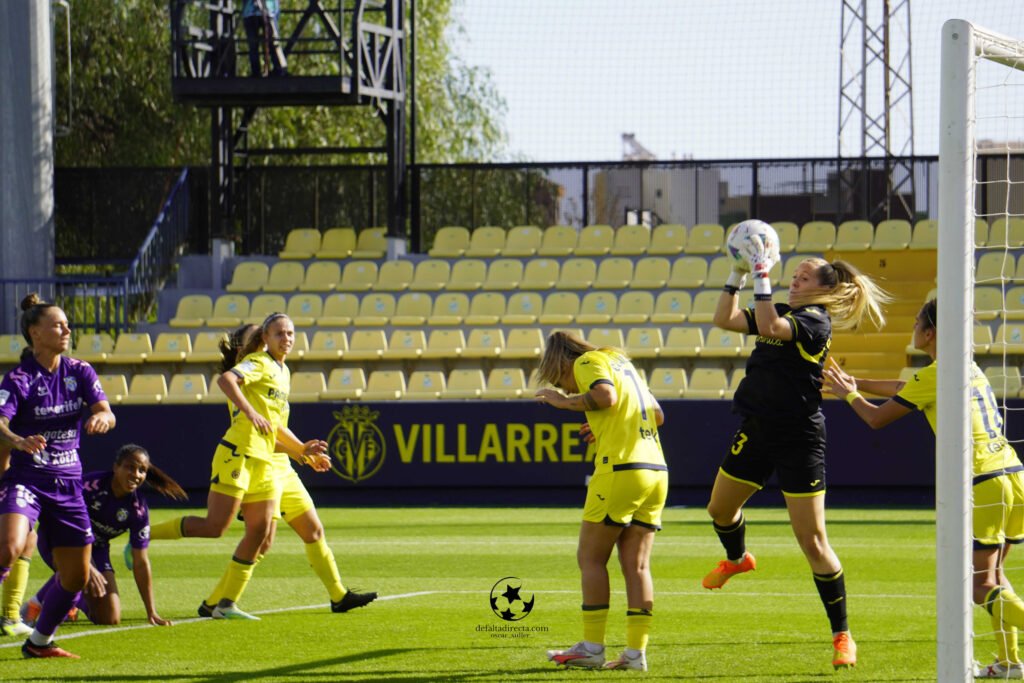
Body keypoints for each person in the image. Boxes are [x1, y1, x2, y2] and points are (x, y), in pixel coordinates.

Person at [704, 230, 891, 670]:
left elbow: (769, 326)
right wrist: (736, 272)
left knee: (813, 541)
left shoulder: (814, 322)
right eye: (796, 276)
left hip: (799, 439)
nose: (795, 282)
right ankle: (738, 559)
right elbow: (725, 320)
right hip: (758, 428)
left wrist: (762, 272)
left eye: (804, 279)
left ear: (824, 290)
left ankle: (843, 635)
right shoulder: (785, 310)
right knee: (718, 510)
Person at [823, 298, 1024, 679]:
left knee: (978, 587)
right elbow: (905, 387)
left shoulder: (936, 374)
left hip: (983, 479)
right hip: (1012, 472)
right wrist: (858, 382)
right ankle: (1011, 662)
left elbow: (876, 418)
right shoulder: (962, 367)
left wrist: (847, 395)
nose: (913, 326)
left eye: (916, 321)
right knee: (994, 577)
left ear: (929, 332)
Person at [144, 314, 351, 620]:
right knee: (218, 527)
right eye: (275, 334)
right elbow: (236, 392)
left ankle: (223, 603)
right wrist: (257, 416)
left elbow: (275, 426)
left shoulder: (279, 371)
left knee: (261, 534)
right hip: (241, 455)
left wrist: (303, 452)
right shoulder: (255, 369)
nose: (285, 339)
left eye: (290, 333)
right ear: (261, 341)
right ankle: (143, 534)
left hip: (266, 459)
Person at [535, 331, 667, 672]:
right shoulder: (622, 363)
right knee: (636, 565)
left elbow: (604, 396)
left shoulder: (587, 361)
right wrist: (608, 425)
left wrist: (561, 403)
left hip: (621, 469)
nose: (567, 389)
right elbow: (658, 414)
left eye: (561, 381)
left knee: (590, 558)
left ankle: (592, 648)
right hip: (656, 470)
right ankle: (635, 655)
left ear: (561, 359)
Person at [0, 293, 116, 658]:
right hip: (27, 480)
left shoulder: (80, 371)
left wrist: (102, 417)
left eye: (67, 324)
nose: (67, 329)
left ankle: (39, 643)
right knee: (9, 546)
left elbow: (106, 411)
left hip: (68, 485)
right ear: (35, 333)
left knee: (77, 577)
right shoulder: (18, 378)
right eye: (57, 324)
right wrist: (18, 441)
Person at [20, 444, 185, 628]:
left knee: (109, 618)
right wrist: (86, 565)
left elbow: (140, 561)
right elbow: (56, 513)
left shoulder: (137, 509)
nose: (136, 474)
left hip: (96, 548)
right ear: (116, 467)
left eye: (142, 470)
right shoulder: (90, 487)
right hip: (60, 538)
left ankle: (70, 602)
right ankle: (35, 605)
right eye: (130, 467)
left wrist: (151, 611)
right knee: (76, 571)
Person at [242, 0, 287, 77]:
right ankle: (256, 72)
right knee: (254, 45)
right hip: (251, 11)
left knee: (272, 42)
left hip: (268, 10)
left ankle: (278, 69)